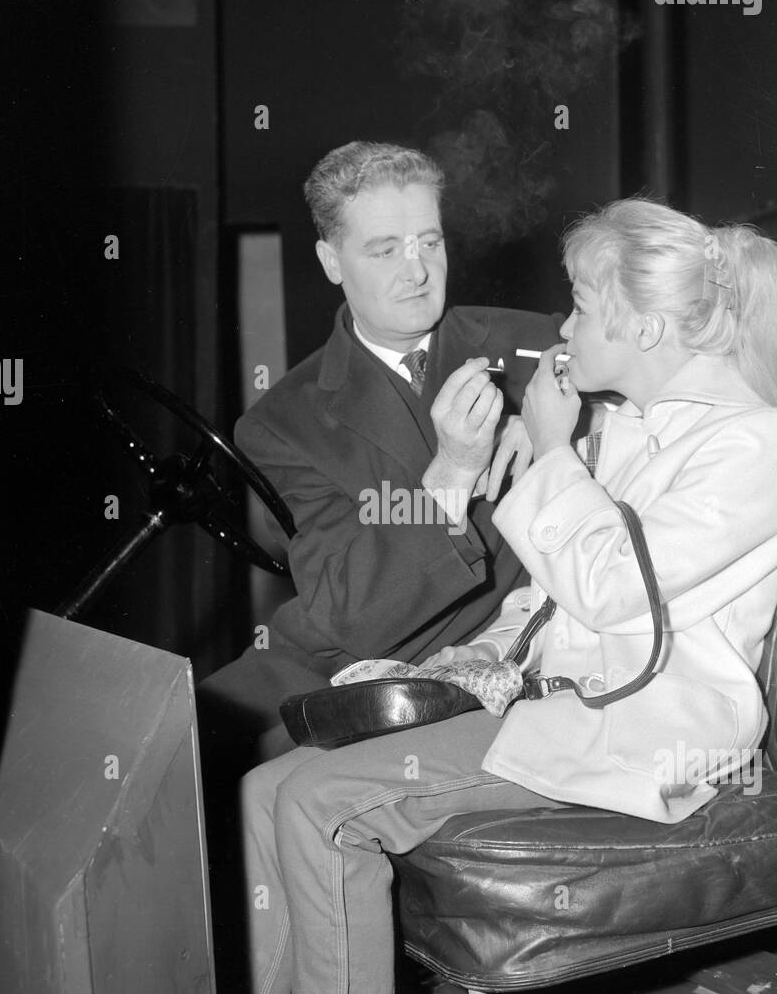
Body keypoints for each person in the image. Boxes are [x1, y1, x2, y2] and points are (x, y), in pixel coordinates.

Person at [228, 197, 777, 994]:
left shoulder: (751, 440)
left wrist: (552, 452)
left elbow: (605, 584)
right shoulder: (635, 423)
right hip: (567, 706)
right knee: (268, 786)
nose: (561, 330)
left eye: (582, 307)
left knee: (322, 802)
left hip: (650, 732)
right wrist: (482, 651)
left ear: (639, 325)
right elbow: (552, 599)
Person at [197, 141, 565, 770]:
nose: (417, 270)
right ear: (330, 261)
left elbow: (641, 346)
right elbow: (348, 611)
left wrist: (557, 407)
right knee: (173, 743)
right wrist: (450, 473)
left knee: (257, 788)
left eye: (430, 241)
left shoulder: (528, 343)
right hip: (338, 653)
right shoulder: (280, 423)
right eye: (385, 250)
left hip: (458, 658)